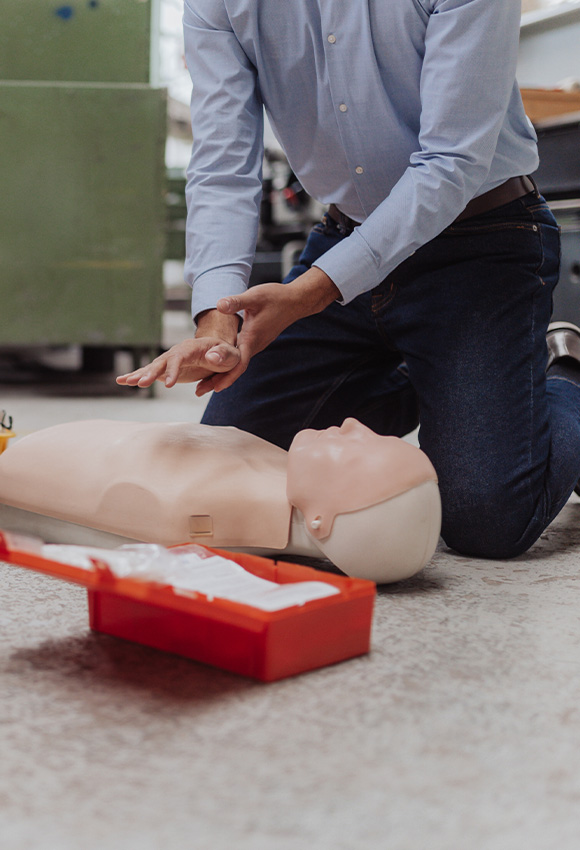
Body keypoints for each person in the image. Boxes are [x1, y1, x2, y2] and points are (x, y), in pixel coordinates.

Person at [117, 1, 580, 560]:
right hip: (345, 237)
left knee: (485, 522)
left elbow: (452, 160)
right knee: (231, 463)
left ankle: (564, 374)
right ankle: (453, 380)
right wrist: (218, 322)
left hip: (481, 241)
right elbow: (222, 164)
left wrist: (311, 292)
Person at [0, 418, 441, 583]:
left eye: (356, 448)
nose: (352, 423)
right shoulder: (266, 474)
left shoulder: (192, 507)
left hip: (38, 462)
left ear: (321, 521)